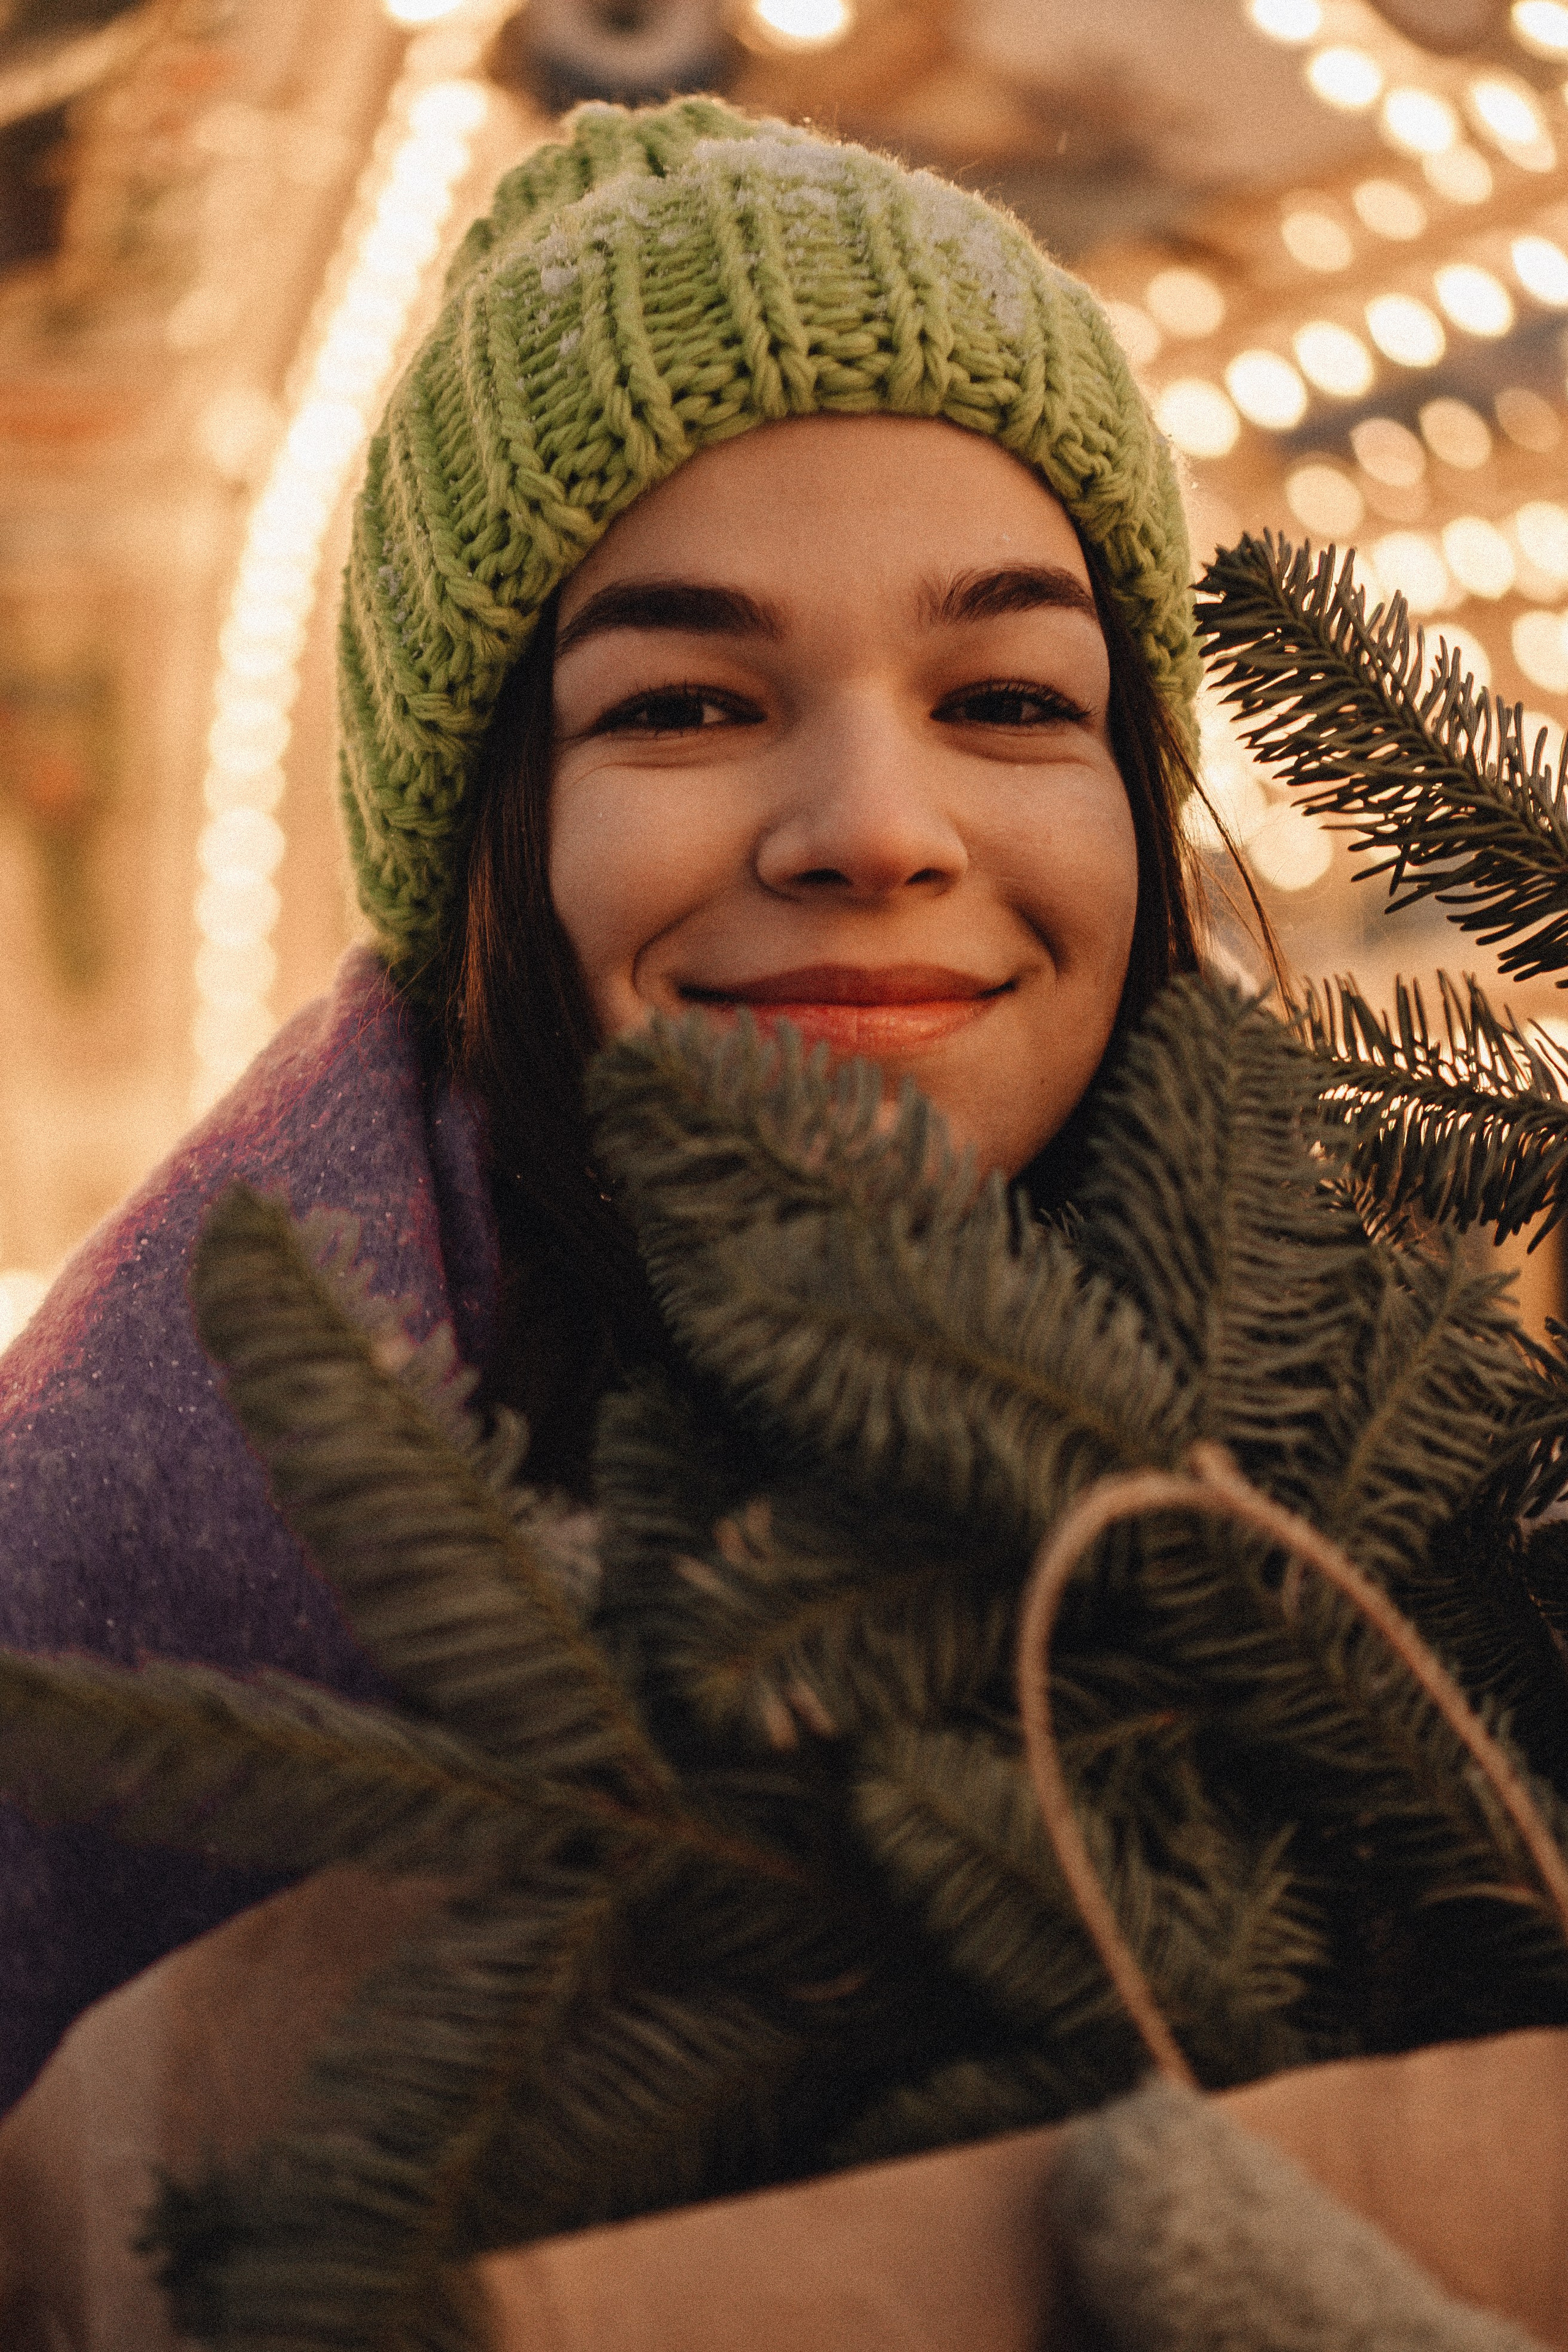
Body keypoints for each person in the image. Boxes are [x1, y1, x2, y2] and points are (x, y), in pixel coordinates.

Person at [0, 93, 1209, 2115]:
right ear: (488, 840)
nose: (877, 830)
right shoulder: (124, 1588)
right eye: (682, 708)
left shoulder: (1413, 1472)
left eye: (1006, 698)